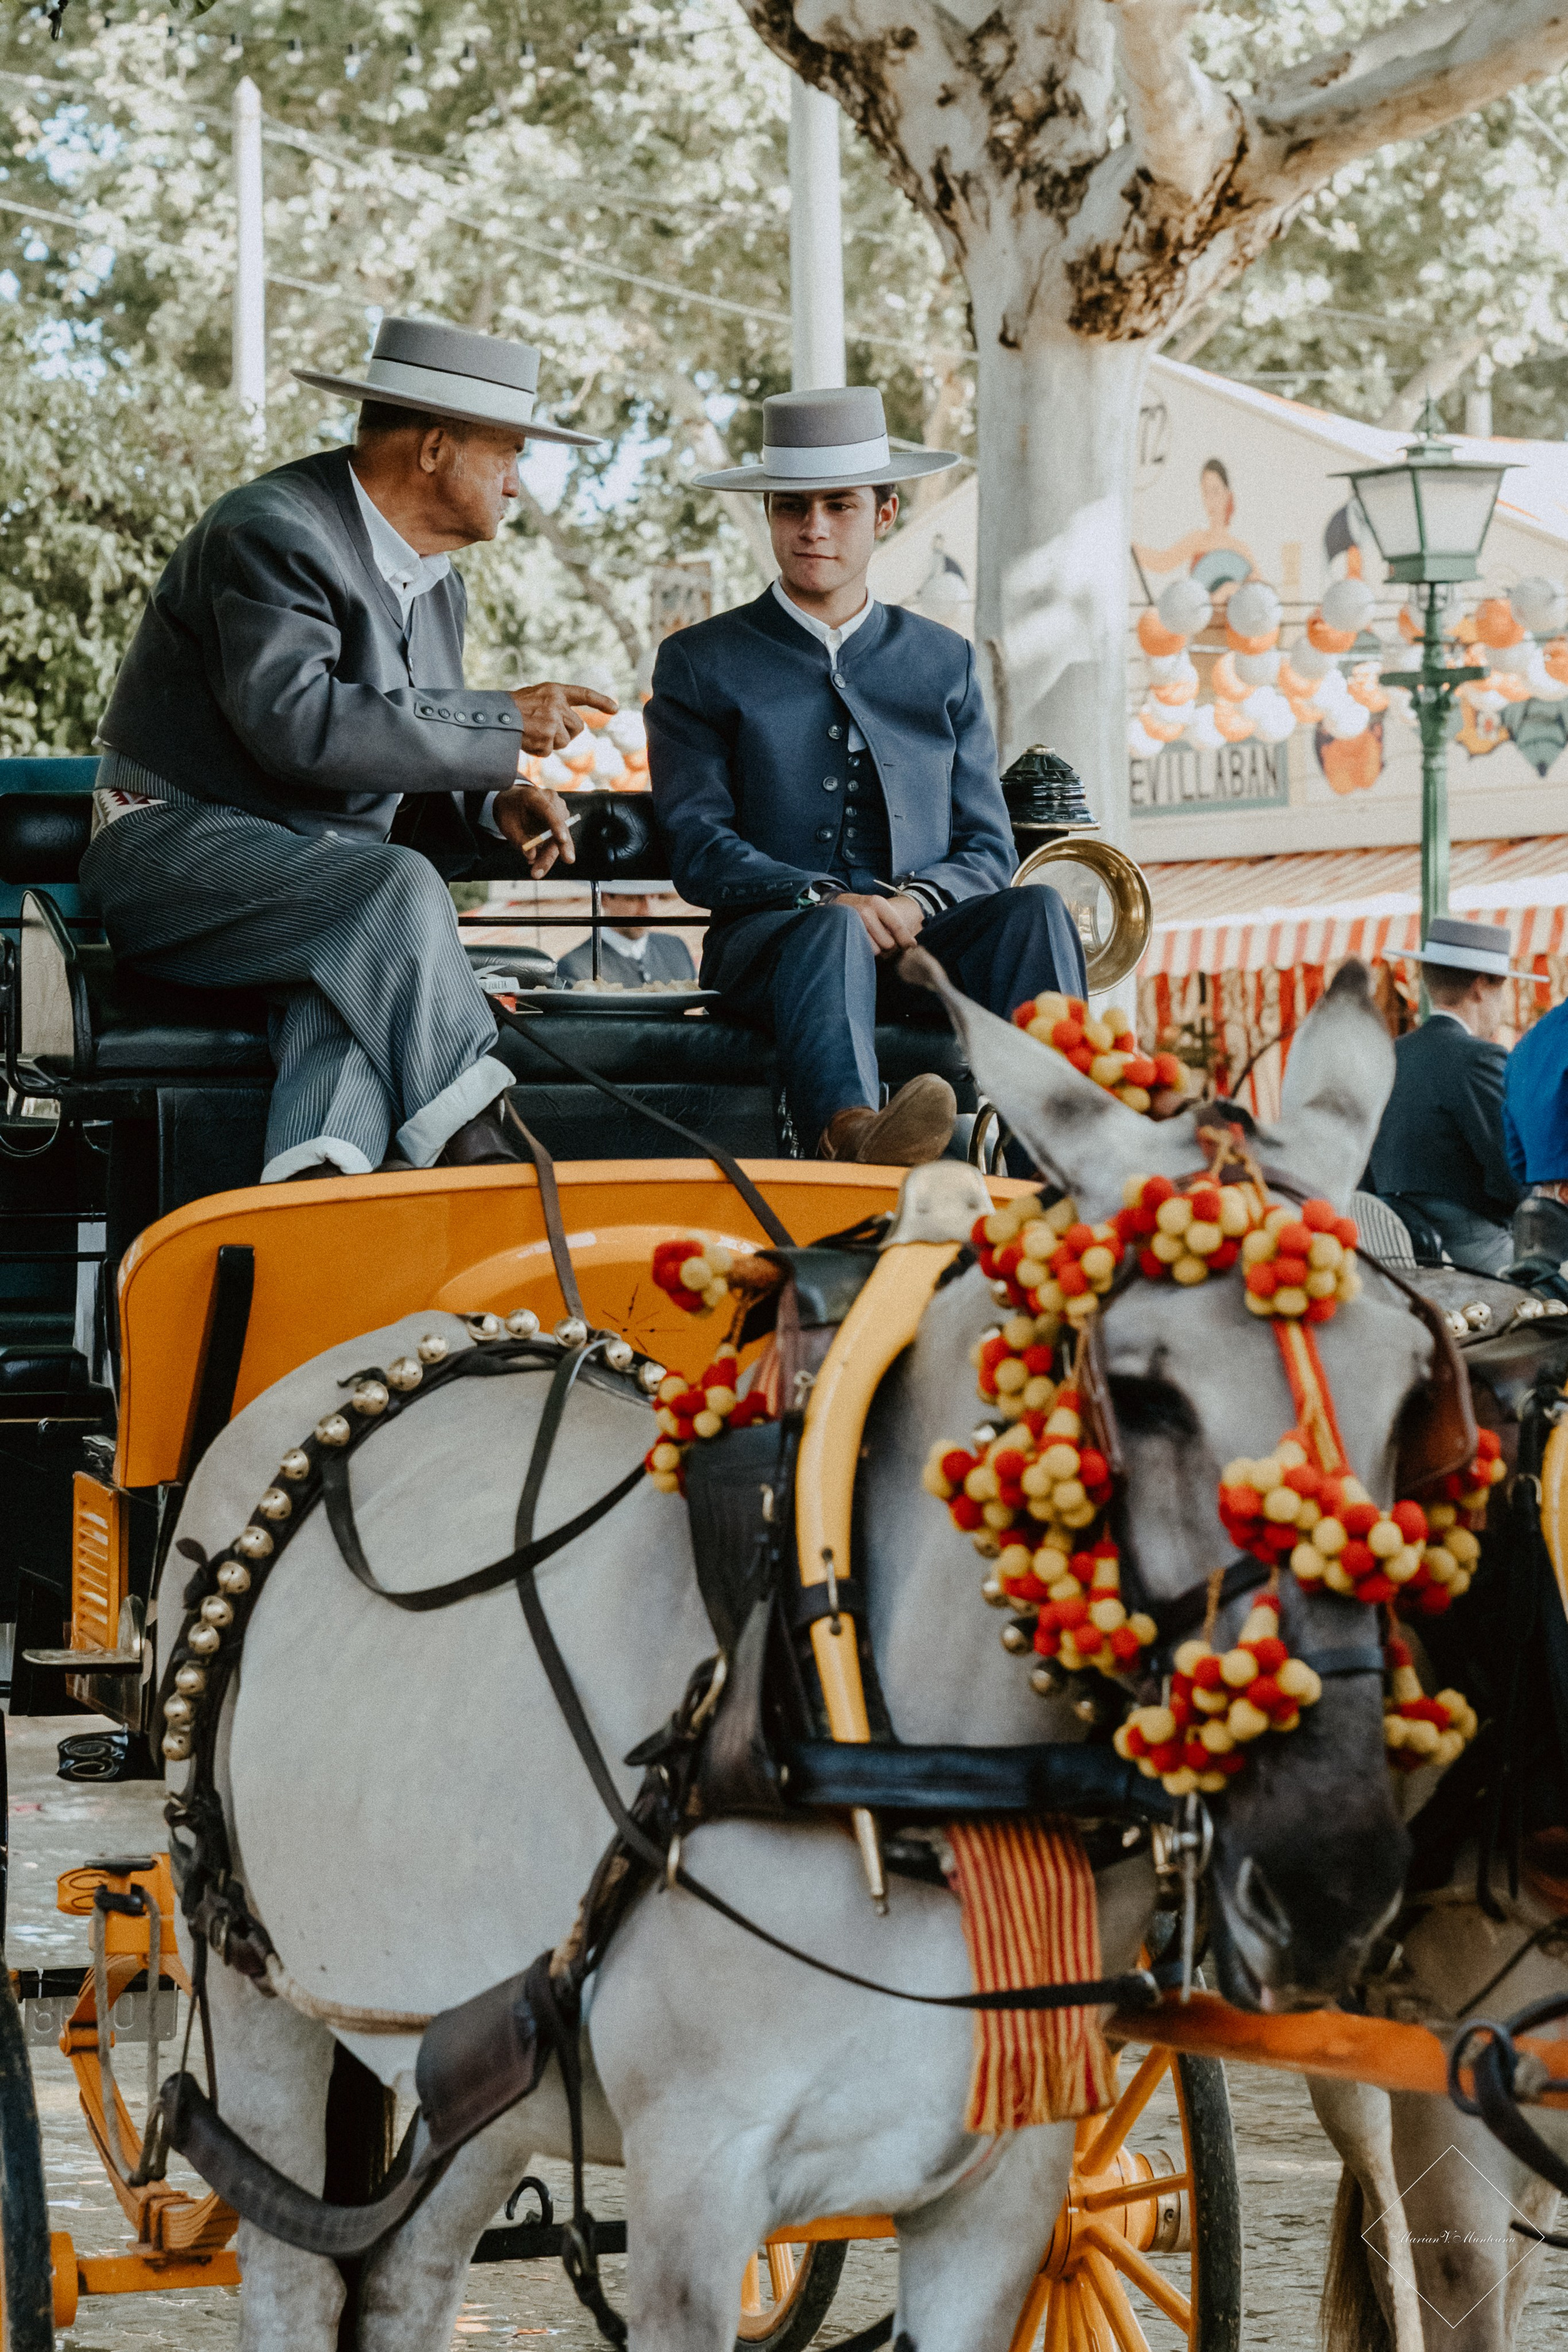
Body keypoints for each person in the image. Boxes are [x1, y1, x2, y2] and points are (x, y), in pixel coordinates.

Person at [85, 315, 613, 1180]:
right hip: (169, 855)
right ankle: (477, 1141)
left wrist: (491, 798)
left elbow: (390, 744)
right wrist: (497, 724)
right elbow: (299, 725)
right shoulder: (268, 530)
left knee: (346, 990)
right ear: (437, 449)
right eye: (509, 455)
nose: (518, 486)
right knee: (390, 887)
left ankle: (315, 1210)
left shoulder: (441, 590)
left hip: (320, 896)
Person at [646, 385, 1085, 1166]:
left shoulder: (942, 661)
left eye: (839, 506)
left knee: (1037, 910)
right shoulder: (700, 661)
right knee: (834, 928)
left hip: (925, 945)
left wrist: (919, 902)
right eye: (792, 507)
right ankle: (853, 1135)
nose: (813, 528)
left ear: (883, 515)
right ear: (772, 516)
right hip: (777, 948)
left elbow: (985, 846)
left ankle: (1062, 1148)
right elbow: (698, 845)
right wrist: (824, 897)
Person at [1366, 916, 1524, 1276]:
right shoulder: (1479, 1058)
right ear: (1482, 987)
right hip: (1471, 1244)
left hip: (1390, 1242)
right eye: (1502, 990)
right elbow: (1511, 1177)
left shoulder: (1387, 1054)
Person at [556, 886, 696, 988]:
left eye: (653, 896)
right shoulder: (574, 967)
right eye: (634, 898)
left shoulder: (676, 948)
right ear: (604, 898)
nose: (647, 909)